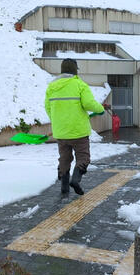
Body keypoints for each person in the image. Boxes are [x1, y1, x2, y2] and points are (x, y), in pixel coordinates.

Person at [44, 58, 106, 198]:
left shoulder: (51, 87)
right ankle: (75, 180)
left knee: (64, 158)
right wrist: (100, 109)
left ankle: (64, 187)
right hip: (78, 131)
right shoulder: (79, 85)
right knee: (83, 157)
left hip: (61, 132)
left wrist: (57, 121)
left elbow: (48, 107)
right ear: (74, 71)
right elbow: (89, 103)